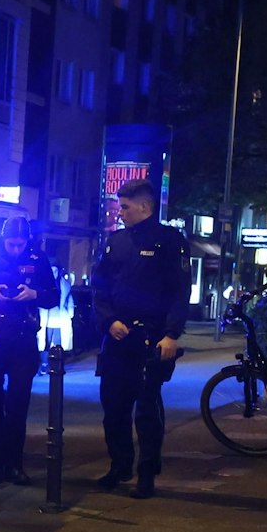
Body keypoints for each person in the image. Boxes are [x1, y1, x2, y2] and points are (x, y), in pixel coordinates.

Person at [90, 179, 188, 499]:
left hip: (151, 337)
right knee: (113, 408)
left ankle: (147, 474)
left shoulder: (169, 240)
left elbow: (179, 291)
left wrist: (171, 334)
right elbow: (100, 288)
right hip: (118, 337)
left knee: (146, 410)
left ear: (144, 206)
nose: (120, 212)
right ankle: (119, 466)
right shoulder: (115, 241)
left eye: (126, 206)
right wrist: (108, 322)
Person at [0, 217, 59, 486]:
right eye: (11, 244)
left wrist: (34, 294)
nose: (15, 249)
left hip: (22, 336)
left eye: (20, 244)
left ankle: (14, 464)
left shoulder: (37, 257)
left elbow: (53, 296)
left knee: (18, 405)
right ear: (2, 239)